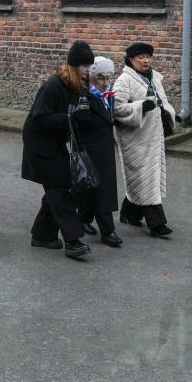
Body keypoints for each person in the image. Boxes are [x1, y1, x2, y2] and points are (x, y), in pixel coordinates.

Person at [21, 41, 96, 260]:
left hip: (54, 143)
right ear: (73, 66)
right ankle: (73, 241)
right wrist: (70, 119)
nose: (88, 69)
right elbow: (40, 117)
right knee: (60, 189)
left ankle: (42, 235)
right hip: (39, 143)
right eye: (84, 65)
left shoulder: (79, 87)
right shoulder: (53, 85)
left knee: (58, 187)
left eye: (89, 65)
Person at [113, 42, 175, 238]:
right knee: (144, 177)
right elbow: (116, 108)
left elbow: (163, 101)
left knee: (146, 177)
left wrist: (169, 114)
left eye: (148, 56)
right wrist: (141, 107)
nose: (146, 60)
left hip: (154, 136)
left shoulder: (154, 78)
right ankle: (157, 224)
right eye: (141, 57)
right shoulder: (124, 81)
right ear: (131, 60)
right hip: (136, 139)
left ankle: (129, 213)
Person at [77, 56, 122, 247]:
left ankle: (83, 218)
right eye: (101, 78)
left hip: (104, 145)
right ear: (92, 78)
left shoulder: (107, 93)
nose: (105, 83)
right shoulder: (85, 96)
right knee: (101, 189)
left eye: (107, 78)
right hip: (90, 147)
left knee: (93, 188)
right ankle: (107, 231)